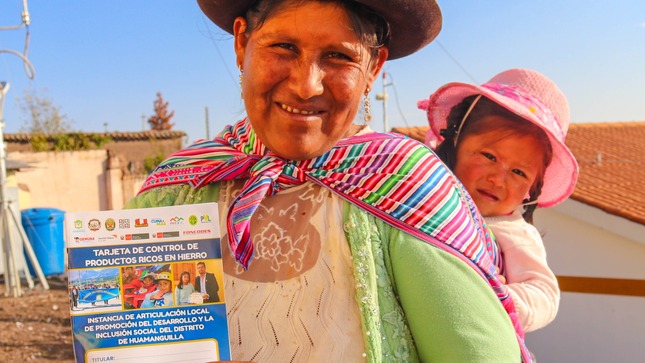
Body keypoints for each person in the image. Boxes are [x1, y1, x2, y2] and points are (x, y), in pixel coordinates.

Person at [125, 0, 532, 361]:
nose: (307, 85)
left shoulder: (404, 185)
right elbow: (126, 342)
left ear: (373, 68)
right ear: (241, 43)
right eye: (284, 47)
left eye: (338, 56)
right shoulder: (179, 188)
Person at [418, 68, 579, 333]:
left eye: (518, 172)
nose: (498, 179)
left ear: (532, 188)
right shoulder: (426, 193)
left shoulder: (514, 232)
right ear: (456, 141)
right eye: (489, 156)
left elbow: (544, 294)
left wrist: (500, 296)